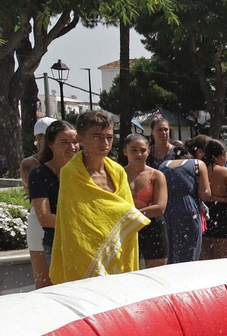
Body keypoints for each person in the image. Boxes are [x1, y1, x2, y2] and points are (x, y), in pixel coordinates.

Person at [49, 110, 148, 284]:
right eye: (97, 137)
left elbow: (125, 209)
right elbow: (82, 219)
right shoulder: (71, 173)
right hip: (85, 251)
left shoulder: (118, 171)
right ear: (80, 139)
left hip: (118, 248)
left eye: (109, 137)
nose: (105, 143)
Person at [26, 120, 79, 289]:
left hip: (82, 241)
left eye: (75, 142)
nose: (72, 147)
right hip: (54, 241)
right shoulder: (39, 173)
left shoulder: (84, 171)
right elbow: (45, 218)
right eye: (64, 142)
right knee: (49, 289)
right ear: (50, 144)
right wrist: (82, 225)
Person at [157, 137, 211, 264]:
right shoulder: (198, 164)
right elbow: (205, 195)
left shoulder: (163, 165)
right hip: (188, 211)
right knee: (189, 256)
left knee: (169, 254)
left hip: (167, 212)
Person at [121, 134, 169, 268]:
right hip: (127, 227)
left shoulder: (157, 176)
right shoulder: (118, 175)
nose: (139, 154)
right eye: (133, 150)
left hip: (153, 227)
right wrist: (147, 208)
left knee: (156, 273)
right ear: (125, 151)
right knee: (127, 272)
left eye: (143, 150)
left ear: (148, 152)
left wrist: (130, 213)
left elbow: (159, 208)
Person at [199, 138, 227, 259]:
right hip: (222, 214)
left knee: (206, 258)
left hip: (204, 211)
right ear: (222, 155)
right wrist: (223, 198)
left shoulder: (199, 170)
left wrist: (213, 196)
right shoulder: (224, 172)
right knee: (221, 259)